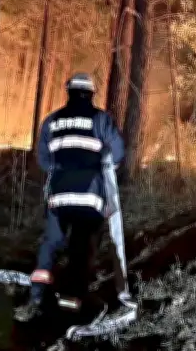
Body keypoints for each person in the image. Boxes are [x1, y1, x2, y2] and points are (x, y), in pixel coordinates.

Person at [14, 72, 136, 325]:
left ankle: (37, 293)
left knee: (51, 242)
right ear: (91, 93)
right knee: (82, 247)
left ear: (68, 92)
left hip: (59, 195)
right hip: (89, 196)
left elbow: (45, 161)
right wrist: (105, 164)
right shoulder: (101, 119)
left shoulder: (52, 121)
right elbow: (118, 152)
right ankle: (73, 297)